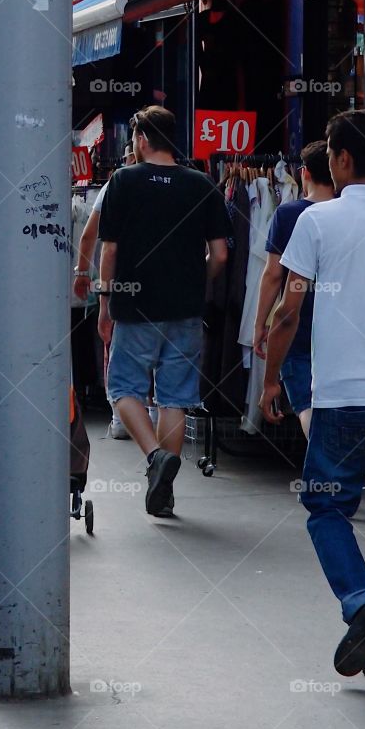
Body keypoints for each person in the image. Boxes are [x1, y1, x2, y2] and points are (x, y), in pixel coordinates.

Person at [259, 110, 365, 678]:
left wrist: (270, 377)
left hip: (341, 398)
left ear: (344, 160)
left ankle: (361, 601)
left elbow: (288, 312)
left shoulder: (318, 220)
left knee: (326, 506)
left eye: (330, 152)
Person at [97, 106, 230, 517]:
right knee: (175, 396)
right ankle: (164, 491)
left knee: (123, 388)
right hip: (185, 307)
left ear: (140, 139)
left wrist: (104, 301)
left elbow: (111, 249)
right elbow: (221, 254)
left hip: (135, 305)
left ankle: (156, 458)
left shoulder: (124, 180)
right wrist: (197, 279)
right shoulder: (202, 184)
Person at [253, 140, 335, 439]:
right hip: (341, 325)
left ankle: (325, 464)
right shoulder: (350, 214)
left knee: (306, 404)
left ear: (304, 174)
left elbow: (273, 274)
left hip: (297, 325)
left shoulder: (288, 215)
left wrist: (260, 324)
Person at [73, 143, 137, 440]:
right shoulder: (185, 180)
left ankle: (122, 419)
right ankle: (156, 421)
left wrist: (84, 274)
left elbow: (92, 237)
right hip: (168, 285)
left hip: (122, 281)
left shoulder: (118, 183)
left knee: (119, 348)